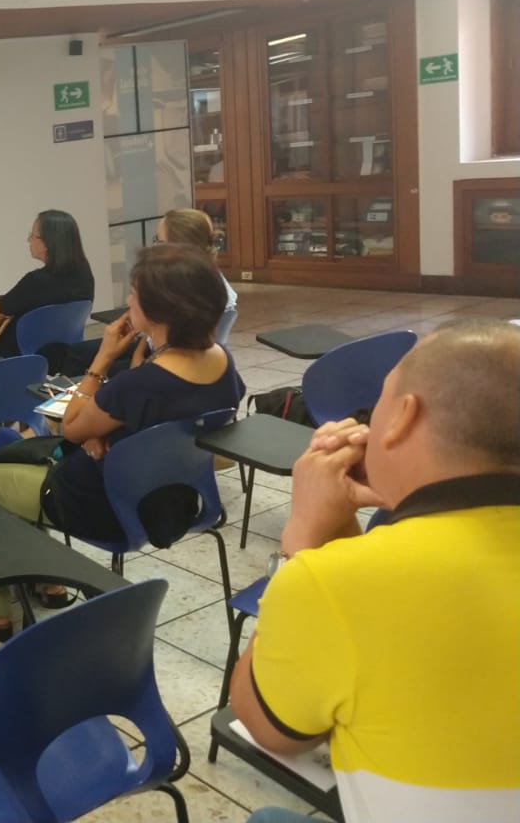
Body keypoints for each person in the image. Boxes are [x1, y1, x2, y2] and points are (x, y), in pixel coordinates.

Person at [233, 319, 520, 823]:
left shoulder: (331, 582)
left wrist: (306, 544)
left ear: (404, 417)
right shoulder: (353, 577)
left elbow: (269, 729)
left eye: (380, 401)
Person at [0, 243, 245, 641]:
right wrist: (116, 436)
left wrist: (103, 359)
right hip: (173, 499)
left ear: (159, 311)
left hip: (102, 505)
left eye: (134, 294)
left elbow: (70, 427)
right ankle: (46, 583)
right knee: (26, 464)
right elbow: (170, 419)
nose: (127, 300)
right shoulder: (223, 364)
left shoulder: (136, 386)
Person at [62, 207, 236, 377]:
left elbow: (166, 340)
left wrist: (132, 364)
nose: (154, 248)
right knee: (79, 352)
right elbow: (154, 331)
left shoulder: (190, 290)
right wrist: (137, 354)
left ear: (178, 245)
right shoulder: (200, 278)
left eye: (159, 242)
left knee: (94, 365)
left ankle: (74, 400)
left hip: (171, 359)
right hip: (160, 350)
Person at [0, 209, 95, 358]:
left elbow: (5, 306)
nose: (28, 240)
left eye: (33, 235)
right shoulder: (84, 272)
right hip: (60, 350)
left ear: (47, 243)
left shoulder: (36, 281)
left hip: (18, 351)